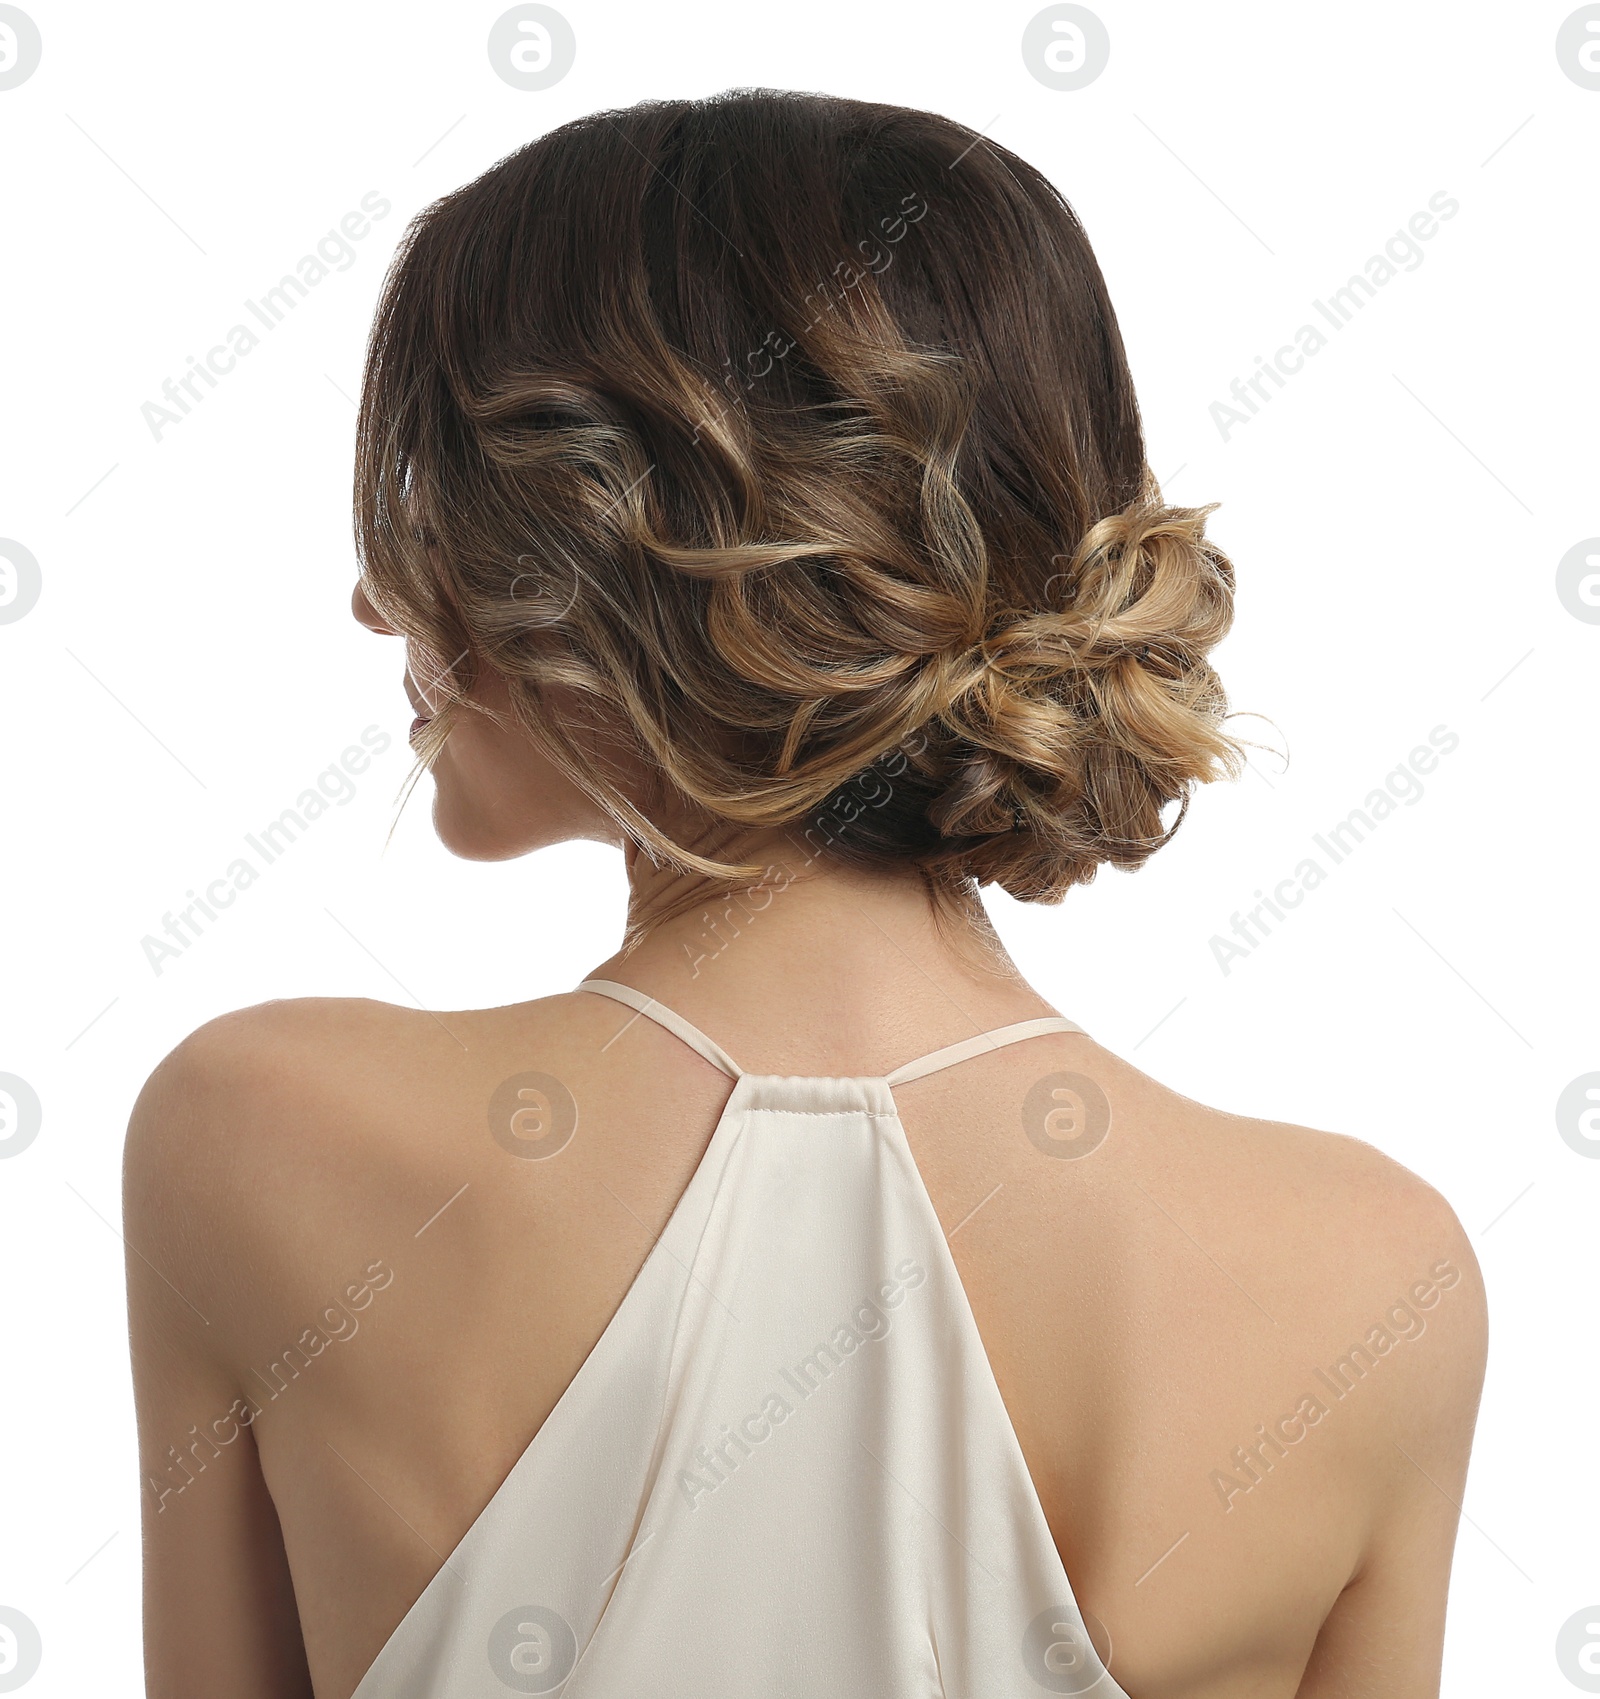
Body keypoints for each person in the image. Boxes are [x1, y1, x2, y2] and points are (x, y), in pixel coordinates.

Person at [124, 89, 1486, 1698]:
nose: (374, 597)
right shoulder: (1367, 1281)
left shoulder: (263, 1140)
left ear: (603, 551)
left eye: (433, 495)